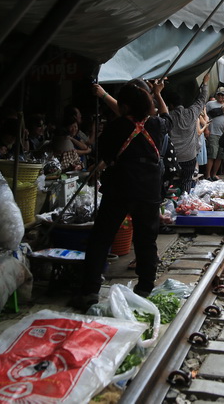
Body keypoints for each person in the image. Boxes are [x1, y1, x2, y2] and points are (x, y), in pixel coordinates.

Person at [72, 79, 171, 308]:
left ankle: (89, 291)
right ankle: (145, 287)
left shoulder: (114, 127)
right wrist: (158, 94)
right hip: (148, 190)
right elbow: (168, 117)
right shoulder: (156, 125)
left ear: (125, 107)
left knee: (101, 239)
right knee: (146, 241)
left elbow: (106, 155)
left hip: (119, 188)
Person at [167, 74, 211, 193]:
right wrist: (205, 83)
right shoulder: (191, 113)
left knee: (170, 182)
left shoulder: (168, 117)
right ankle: (185, 200)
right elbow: (202, 99)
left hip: (173, 157)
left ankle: (171, 202)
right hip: (189, 156)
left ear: (171, 105)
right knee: (187, 180)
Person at [204, 88, 224, 181]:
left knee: (220, 156)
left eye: (222, 95)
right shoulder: (210, 104)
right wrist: (206, 129)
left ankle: (214, 174)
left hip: (223, 134)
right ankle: (207, 175)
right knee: (212, 154)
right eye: (219, 94)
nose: (220, 96)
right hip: (213, 133)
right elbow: (204, 116)